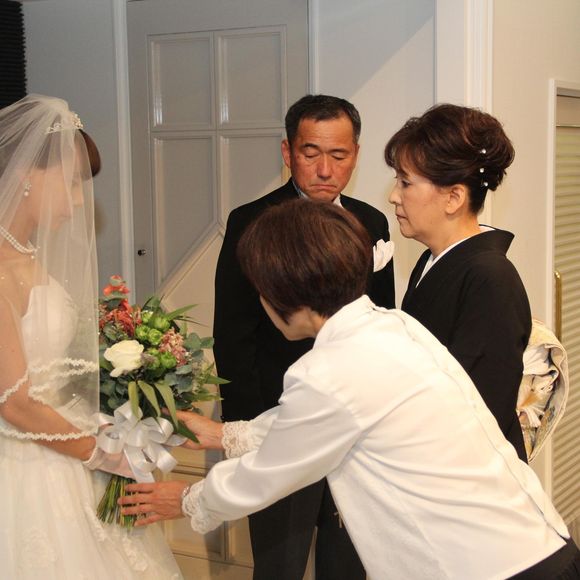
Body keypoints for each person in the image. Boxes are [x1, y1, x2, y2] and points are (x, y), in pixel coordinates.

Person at [119, 199, 580, 579]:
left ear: (283, 293)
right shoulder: (392, 326)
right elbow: (324, 418)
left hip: (481, 566)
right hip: (539, 545)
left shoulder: (328, 369)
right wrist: (223, 434)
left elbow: (270, 472)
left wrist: (188, 499)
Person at [212, 94, 395, 578]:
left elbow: (382, 323)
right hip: (279, 424)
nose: (324, 170)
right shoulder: (251, 221)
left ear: (356, 154)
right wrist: (246, 433)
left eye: (339, 155)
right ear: (288, 152)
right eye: (311, 153)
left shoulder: (372, 222)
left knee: (351, 563)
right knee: (279, 565)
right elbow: (232, 334)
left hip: (355, 429)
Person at [0, 95, 182, 579]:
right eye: (73, 182)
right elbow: (14, 403)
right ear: (26, 176)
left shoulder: (31, 257)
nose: (80, 200)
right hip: (25, 465)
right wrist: (100, 452)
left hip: (67, 441)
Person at [385, 103, 530, 461]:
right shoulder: (431, 260)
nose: (393, 195)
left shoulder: (490, 278)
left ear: (453, 197)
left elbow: (478, 409)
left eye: (405, 182)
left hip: (466, 470)